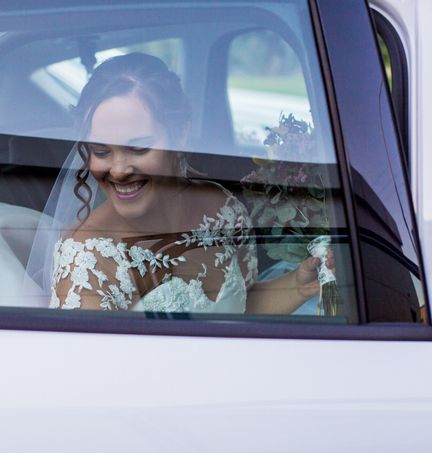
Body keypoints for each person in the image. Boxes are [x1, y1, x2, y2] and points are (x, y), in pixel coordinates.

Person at [40, 53, 330, 313]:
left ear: (180, 134)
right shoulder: (87, 258)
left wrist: (298, 286)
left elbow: (241, 305)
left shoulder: (222, 209)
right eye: (101, 151)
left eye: (139, 148)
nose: (118, 170)